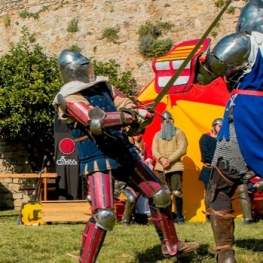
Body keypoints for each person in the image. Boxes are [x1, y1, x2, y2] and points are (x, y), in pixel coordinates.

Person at [53, 50, 200, 263]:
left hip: (122, 150)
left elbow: (126, 103)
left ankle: (172, 246)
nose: (87, 69)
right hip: (97, 157)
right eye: (82, 66)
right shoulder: (66, 97)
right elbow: (94, 121)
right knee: (105, 214)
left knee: (160, 195)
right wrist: (132, 116)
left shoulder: (105, 86)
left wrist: (140, 115)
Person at [195, 1, 263, 262]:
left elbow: (206, 75)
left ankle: (225, 255)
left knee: (220, 187)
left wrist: (194, 67)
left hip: (247, 115)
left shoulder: (245, 43)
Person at [152, 110, 188, 225]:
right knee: (164, 193)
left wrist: (170, 160)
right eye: (164, 120)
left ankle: (179, 217)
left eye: (169, 120)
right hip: (161, 166)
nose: (167, 122)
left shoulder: (179, 133)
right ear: (161, 122)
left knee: (176, 192)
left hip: (175, 166)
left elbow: (182, 148)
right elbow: (154, 149)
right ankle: (167, 216)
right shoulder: (157, 135)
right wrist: (162, 159)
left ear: (173, 121)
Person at [198, 118, 222, 221]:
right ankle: (209, 216)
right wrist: (217, 160)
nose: (221, 128)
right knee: (209, 193)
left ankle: (220, 214)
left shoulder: (224, 139)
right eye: (219, 126)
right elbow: (205, 154)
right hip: (208, 169)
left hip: (220, 170)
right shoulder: (205, 138)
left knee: (220, 193)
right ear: (214, 126)